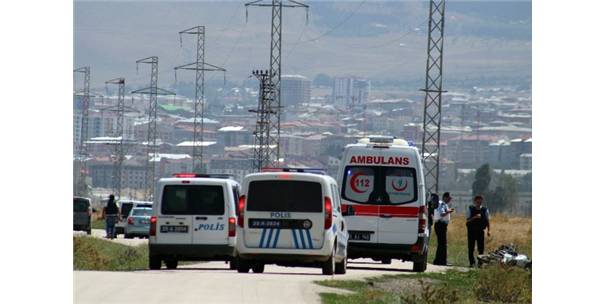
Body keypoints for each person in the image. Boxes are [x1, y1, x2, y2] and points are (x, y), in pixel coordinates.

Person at [466, 195, 491, 267]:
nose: (479, 203)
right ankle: (472, 262)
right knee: (471, 247)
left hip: (480, 231)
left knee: (481, 248)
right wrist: (475, 217)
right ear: (475, 201)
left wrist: (489, 230)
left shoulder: (485, 210)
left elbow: (487, 221)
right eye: (477, 201)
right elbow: (467, 220)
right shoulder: (470, 209)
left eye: (480, 201)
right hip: (471, 231)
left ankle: (480, 263)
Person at [433, 192, 454, 266]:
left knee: (441, 244)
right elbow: (442, 214)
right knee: (442, 244)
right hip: (440, 225)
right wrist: (449, 211)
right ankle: (442, 261)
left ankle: (438, 260)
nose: (449, 200)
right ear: (445, 197)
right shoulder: (442, 204)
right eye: (449, 198)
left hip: (441, 225)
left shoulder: (442, 204)